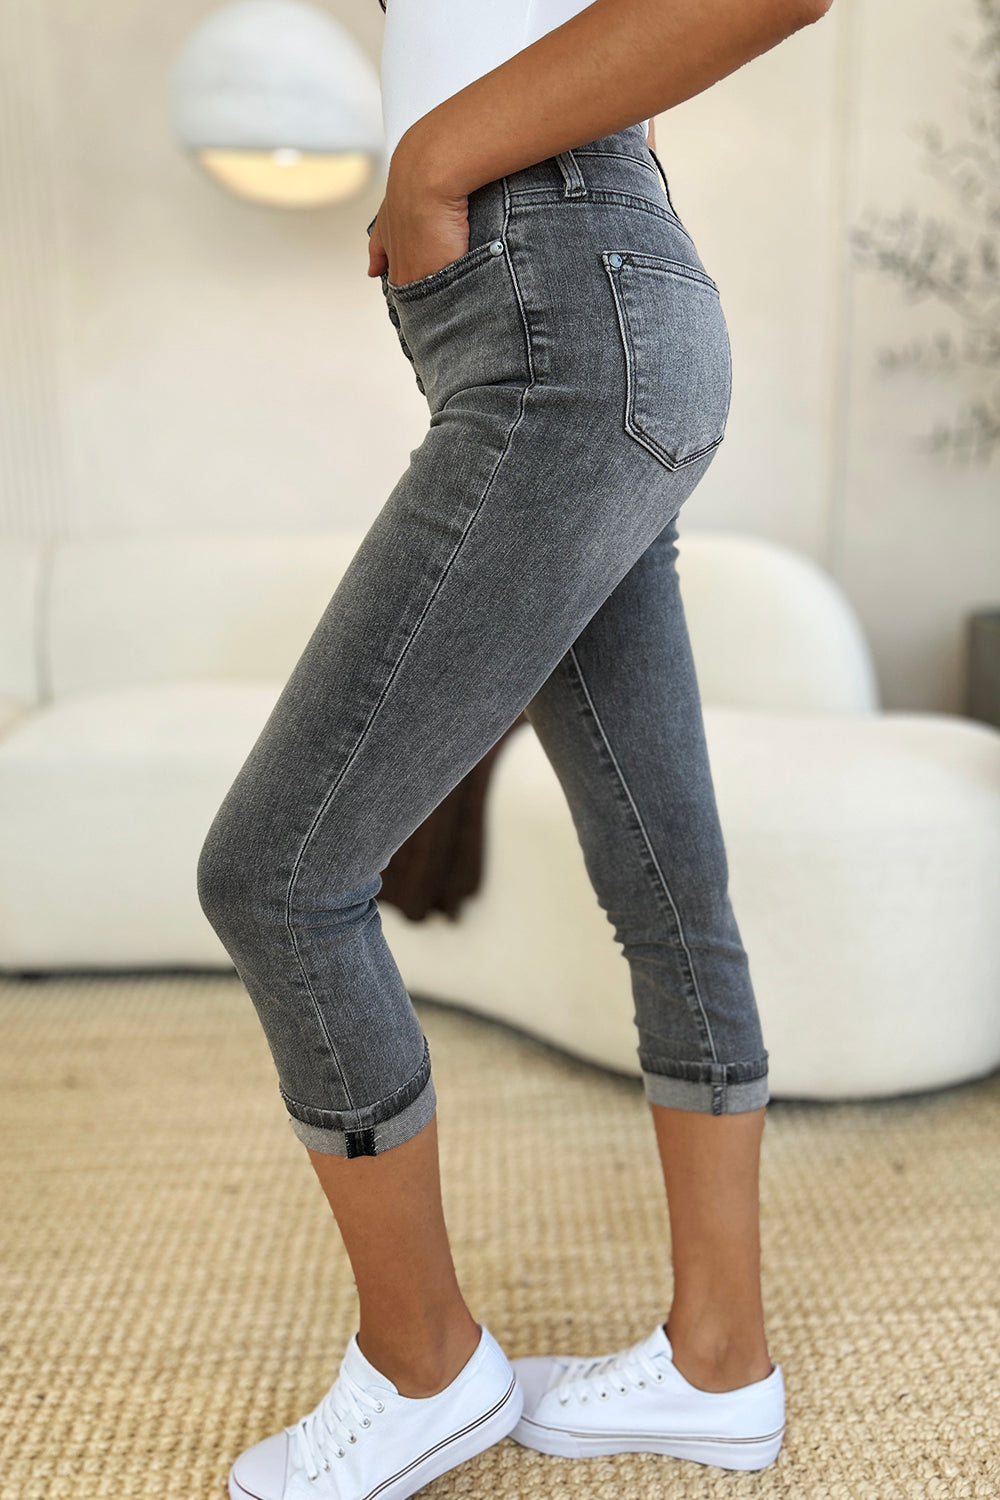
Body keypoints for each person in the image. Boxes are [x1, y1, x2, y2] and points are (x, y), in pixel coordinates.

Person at [197, 0, 832, 1494]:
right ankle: (717, 1361)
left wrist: (435, 159)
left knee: (278, 876)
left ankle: (425, 1368)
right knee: (665, 880)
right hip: (591, 293)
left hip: (565, 313)